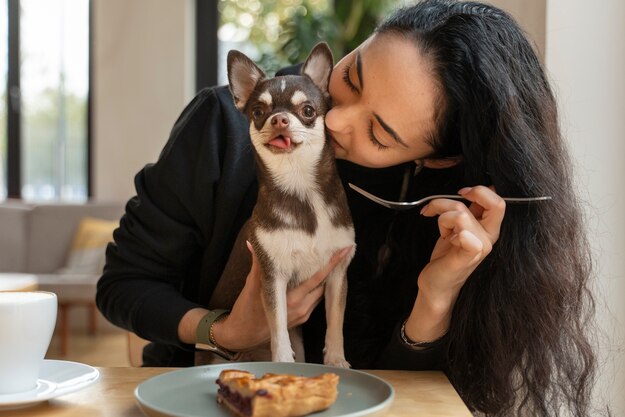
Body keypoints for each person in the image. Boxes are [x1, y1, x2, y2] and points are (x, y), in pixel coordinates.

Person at [96, 0, 597, 415]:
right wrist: (223, 329)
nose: (336, 122)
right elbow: (124, 285)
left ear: (438, 159)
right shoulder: (225, 128)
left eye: (378, 133)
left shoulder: (433, 212)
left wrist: (436, 298)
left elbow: (403, 397)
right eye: (352, 77)